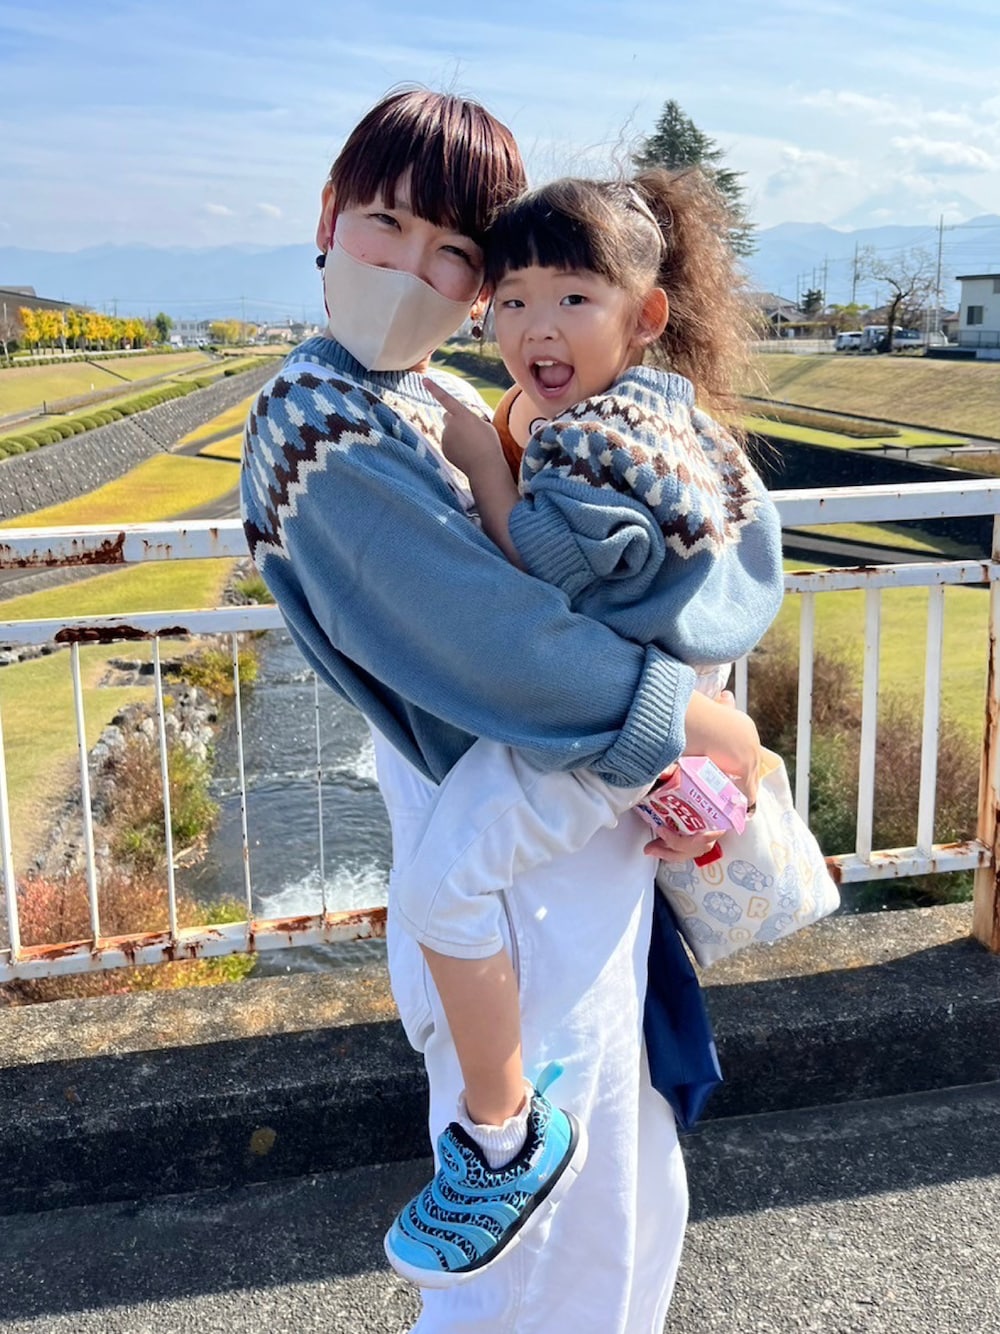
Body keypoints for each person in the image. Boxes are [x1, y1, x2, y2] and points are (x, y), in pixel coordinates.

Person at [241, 87, 768, 1334]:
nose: (410, 269)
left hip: (571, 837)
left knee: (622, 1200)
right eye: (384, 224)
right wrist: (701, 725)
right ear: (328, 217)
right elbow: (502, 645)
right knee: (542, 1265)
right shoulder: (320, 420)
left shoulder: (424, 397)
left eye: (453, 251)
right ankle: (500, 1134)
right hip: (516, 859)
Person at [383, 172, 784, 1287]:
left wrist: (479, 462)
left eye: (571, 298)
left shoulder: (611, 437)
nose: (536, 328)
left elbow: (553, 573)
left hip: (601, 730)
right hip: (620, 725)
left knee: (443, 892)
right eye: (511, 301)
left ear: (643, 314)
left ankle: (501, 1138)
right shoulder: (617, 413)